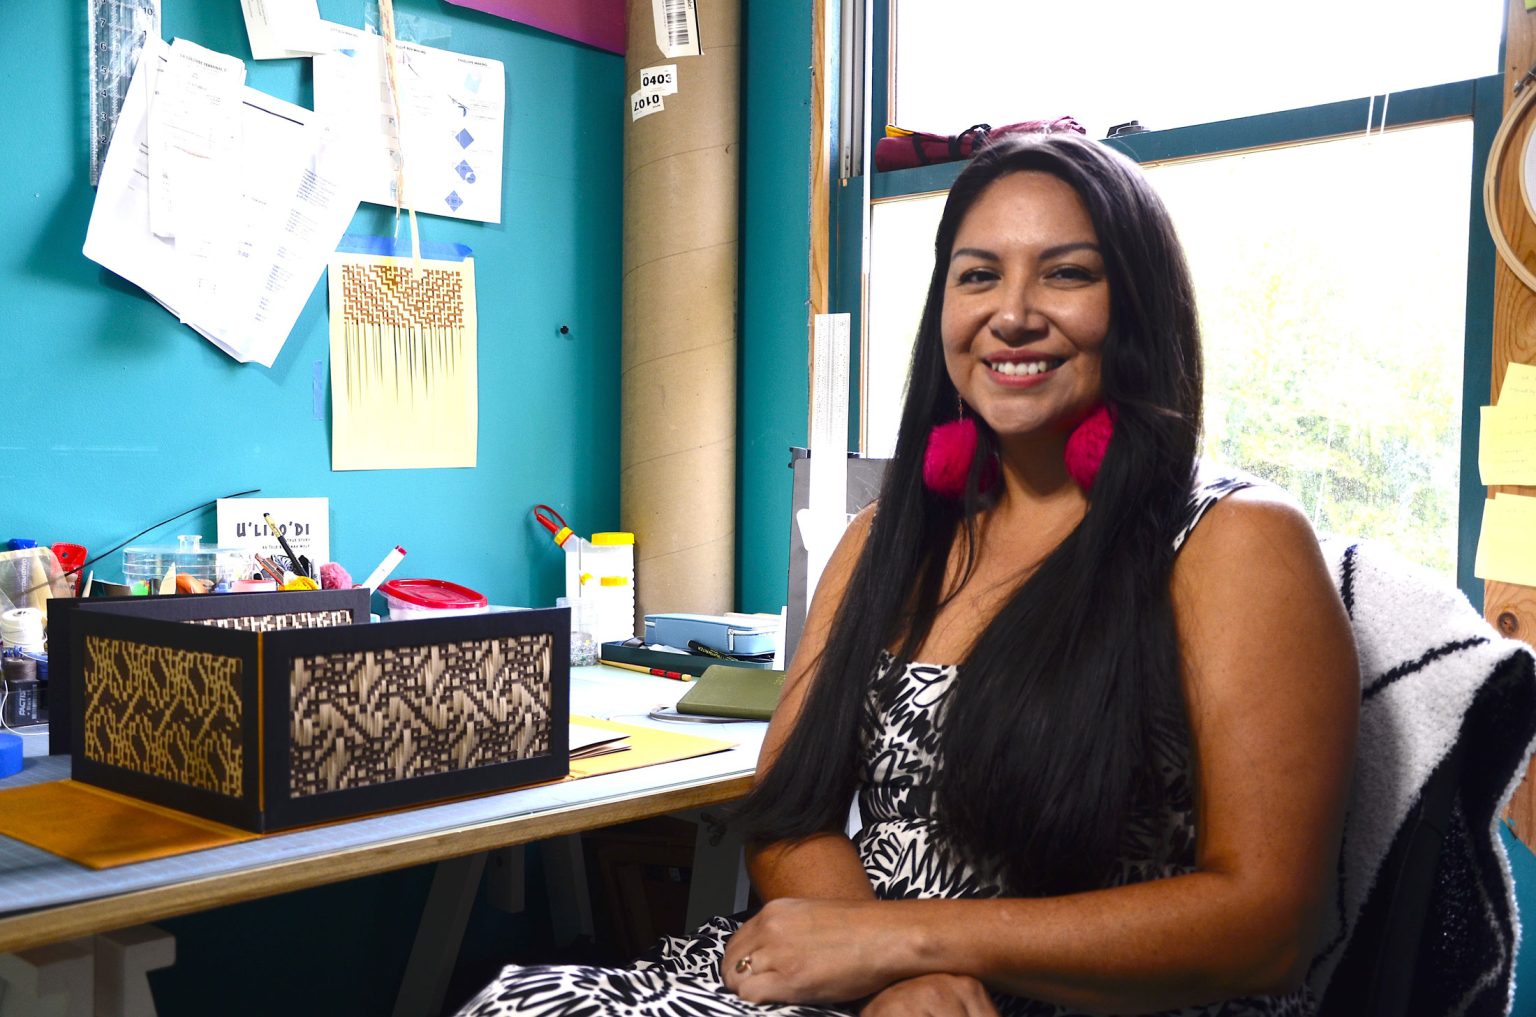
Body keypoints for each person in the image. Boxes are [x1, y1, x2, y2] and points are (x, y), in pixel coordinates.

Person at [457, 132, 1359, 1017]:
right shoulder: (888, 538)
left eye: (1066, 272)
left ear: (1138, 304)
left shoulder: (1233, 540)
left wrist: (912, 943)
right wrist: (892, 973)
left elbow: (1266, 920)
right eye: (978, 275)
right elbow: (791, 811)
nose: (1012, 312)